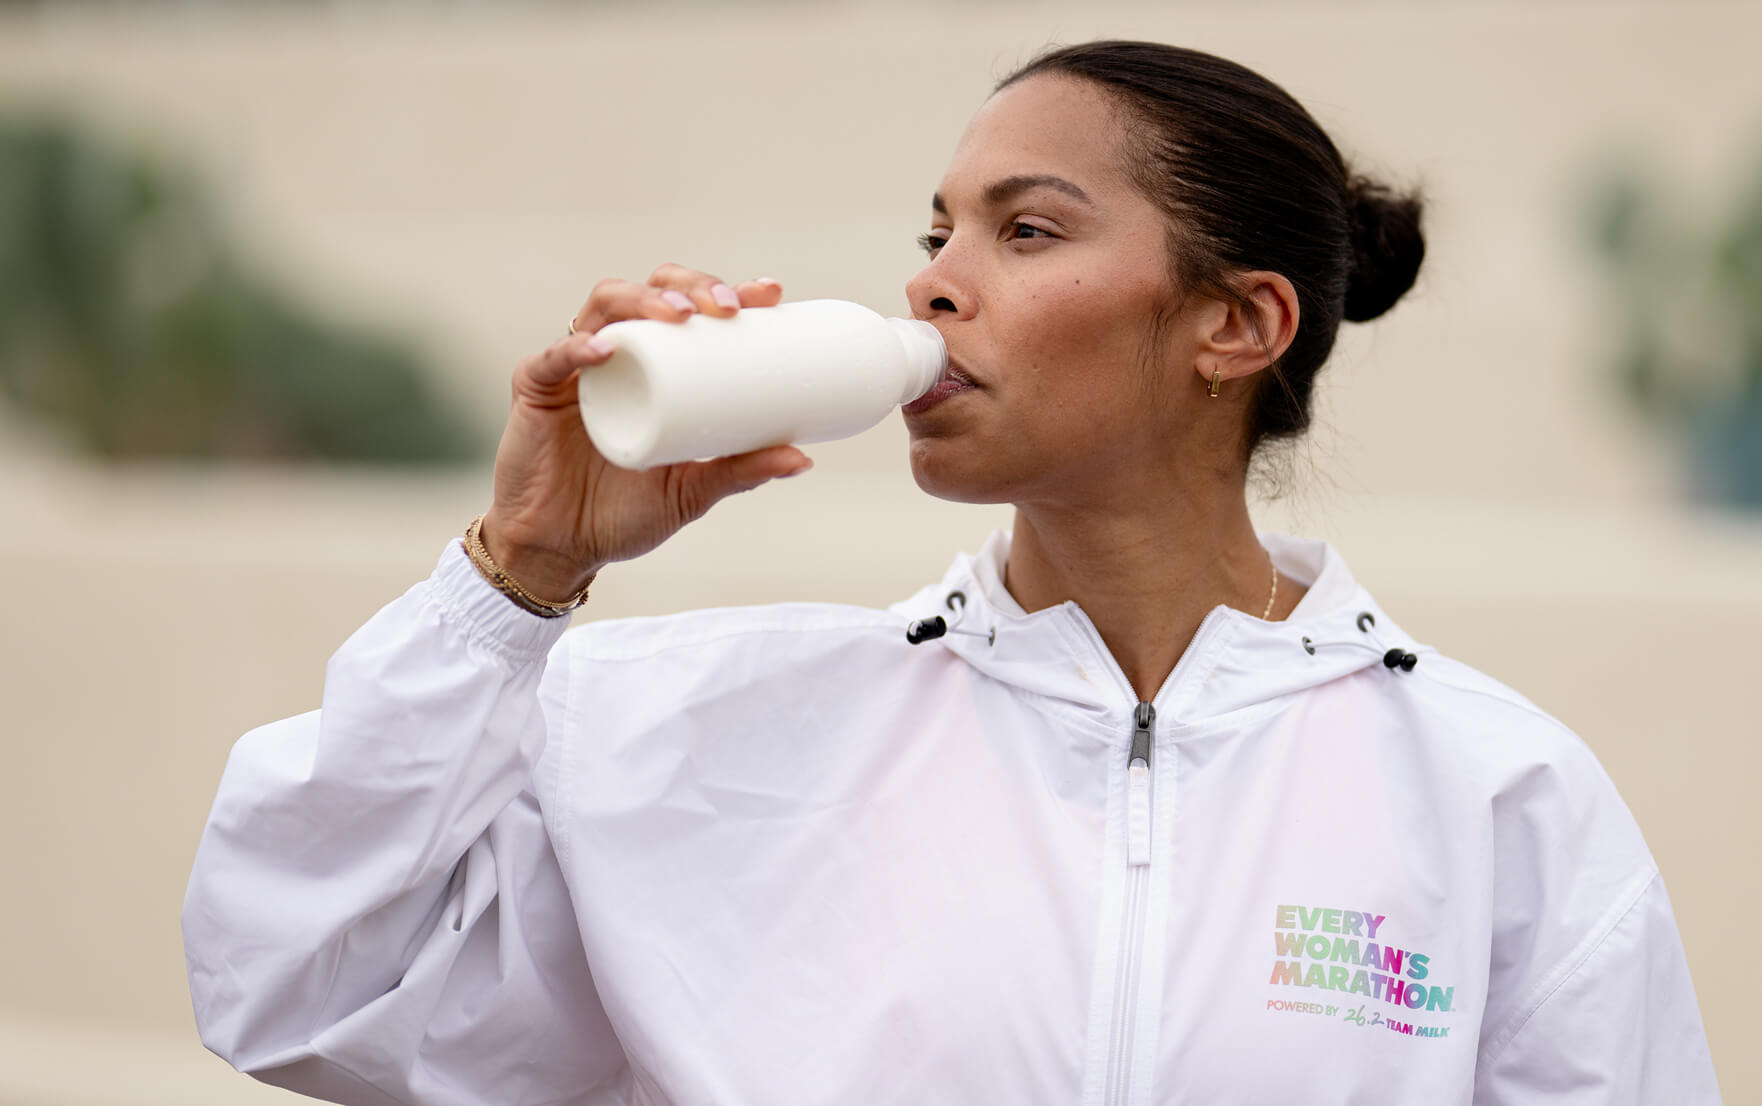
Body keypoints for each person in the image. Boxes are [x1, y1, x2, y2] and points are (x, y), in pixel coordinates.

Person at [182, 40, 1721, 1106]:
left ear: (1235, 326)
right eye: (933, 231)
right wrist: (518, 571)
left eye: (1026, 228)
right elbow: (298, 988)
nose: (931, 278)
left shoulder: (1494, 792)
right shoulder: (699, 728)